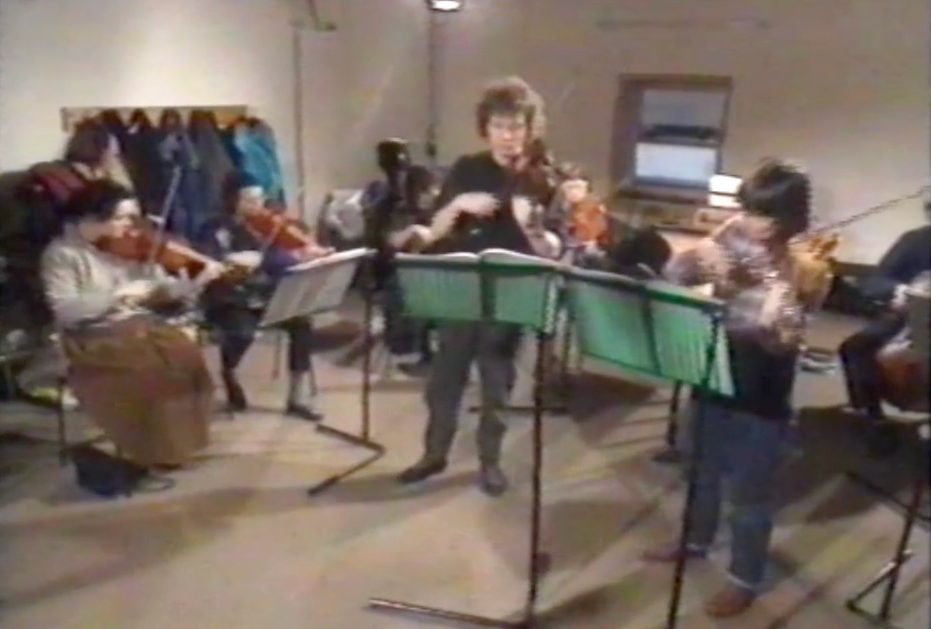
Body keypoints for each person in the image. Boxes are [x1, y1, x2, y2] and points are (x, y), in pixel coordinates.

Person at [641, 160, 812, 617]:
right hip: (711, 372)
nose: (756, 227)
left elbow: (784, 344)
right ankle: (695, 541)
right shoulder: (733, 233)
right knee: (700, 471)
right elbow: (674, 277)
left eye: (769, 218)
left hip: (762, 396)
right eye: (752, 213)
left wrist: (777, 317)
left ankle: (744, 577)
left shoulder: (802, 264)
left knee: (749, 498)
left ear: (790, 220)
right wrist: (700, 258)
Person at [396, 76, 561, 496]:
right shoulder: (468, 169)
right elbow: (432, 232)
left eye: (517, 128)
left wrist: (533, 228)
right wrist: (457, 204)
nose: (509, 137)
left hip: (509, 291)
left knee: (496, 383)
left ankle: (490, 462)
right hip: (461, 286)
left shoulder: (541, 177)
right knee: (444, 381)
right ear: (485, 129)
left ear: (530, 129)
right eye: (500, 128)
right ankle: (433, 454)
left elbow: (554, 248)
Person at [40, 180, 221, 469]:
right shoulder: (61, 254)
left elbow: (156, 288)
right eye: (122, 217)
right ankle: (153, 447)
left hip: (135, 325)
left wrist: (192, 284)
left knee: (186, 356)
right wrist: (117, 295)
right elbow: (66, 311)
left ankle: (179, 443)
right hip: (91, 336)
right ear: (94, 217)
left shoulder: (124, 246)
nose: (131, 225)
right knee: (150, 370)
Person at [197, 173, 331, 419]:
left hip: (265, 294)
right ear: (233, 200)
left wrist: (303, 255)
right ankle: (229, 371)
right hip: (231, 298)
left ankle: (296, 397)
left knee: (302, 322)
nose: (259, 205)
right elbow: (207, 261)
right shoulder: (214, 228)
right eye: (250, 199)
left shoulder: (267, 227)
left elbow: (280, 260)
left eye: (260, 198)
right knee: (242, 333)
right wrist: (232, 262)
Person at [838, 196, 931, 420]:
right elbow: (876, 280)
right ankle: (871, 416)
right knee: (854, 348)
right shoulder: (914, 240)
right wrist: (897, 290)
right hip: (910, 317)